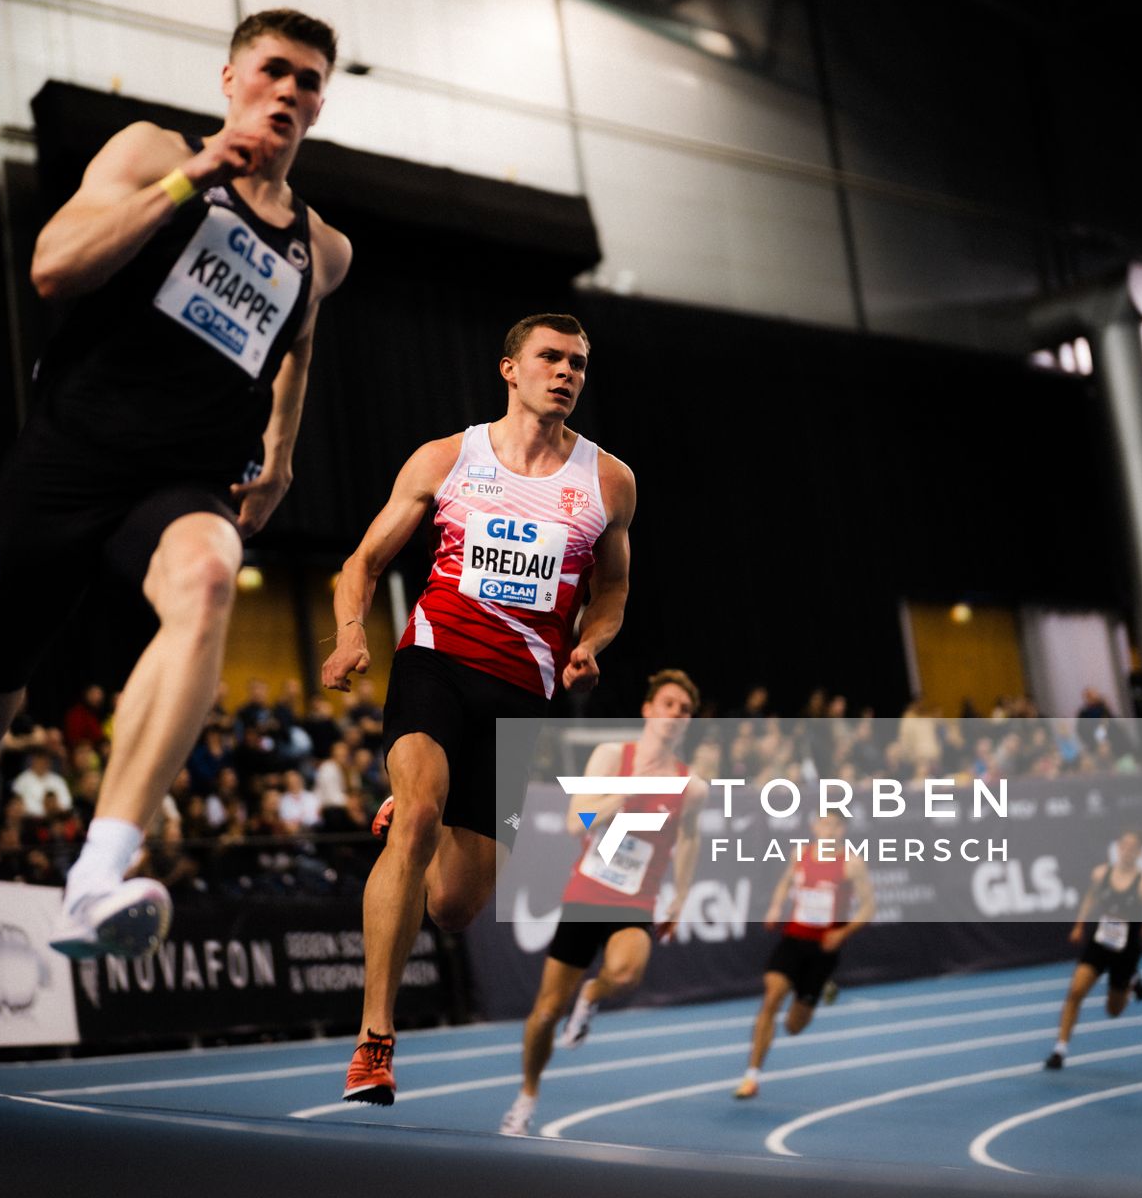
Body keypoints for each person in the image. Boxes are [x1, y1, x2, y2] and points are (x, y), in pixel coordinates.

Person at [0, 8, 351, 959]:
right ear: (230, 79)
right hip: (65, 469)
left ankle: (97, 873)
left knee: (210, 578)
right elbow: (54, 268)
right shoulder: (152, 152)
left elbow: (296, 348)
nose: (291, 92)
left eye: (310, 81)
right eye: (275, 70)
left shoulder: (325, 250)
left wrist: (283, 452)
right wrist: (195, 178)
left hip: (177, 483)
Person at [321, 313, 634, 1105]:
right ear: (509, 368)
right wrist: (353, 631)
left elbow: (615, 587)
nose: (566, 372)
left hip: (526, 699)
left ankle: (426, 806)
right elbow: (361, 561)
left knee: (457, 907)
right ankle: (374, 1041)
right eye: (550, 358)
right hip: (436, 664)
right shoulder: (447, 458)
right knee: (420, 815)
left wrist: (592, 641)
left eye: (579, 363)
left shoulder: (608, 482)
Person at [501, 671, 703, 1136]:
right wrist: (625, 793)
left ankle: (592, 994)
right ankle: (527, 1095)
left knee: (629, 972)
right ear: (647, 710)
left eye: (685, 710)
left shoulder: (690, 786)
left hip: (637, 899)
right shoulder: (613, 756)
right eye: (668, 704)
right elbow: (577, 820)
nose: (675, 715)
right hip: (588, 893)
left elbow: (690, 839)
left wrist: (682, 897)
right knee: (546, 1012)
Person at [732, 809, 875, 1100]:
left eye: (836, 826)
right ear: (814, 827)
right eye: (824, 824)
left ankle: (821, 987)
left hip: (823, 950)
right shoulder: (800, 854)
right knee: (771, 998)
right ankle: (752, 1076)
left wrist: (843, 932)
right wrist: (775, 906)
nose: (830, 830)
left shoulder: (851, 863)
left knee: (794, 1026)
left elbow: (869, 907)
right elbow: (786, 882)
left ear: (843, 831)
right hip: (794, 940)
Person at [1045, 828, 1142, 1069]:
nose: (1128, 851)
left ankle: (1131, 979)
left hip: (1126, 948)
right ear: (1118, 847)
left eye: (1133, 847)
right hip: (1101, 941)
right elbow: (1090, 898)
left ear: (1140, 852)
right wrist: (1079, 926)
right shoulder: (1101, 874)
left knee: (1113, 1010)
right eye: (1124, 845)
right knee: (1076, 990)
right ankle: (1060, 1049)